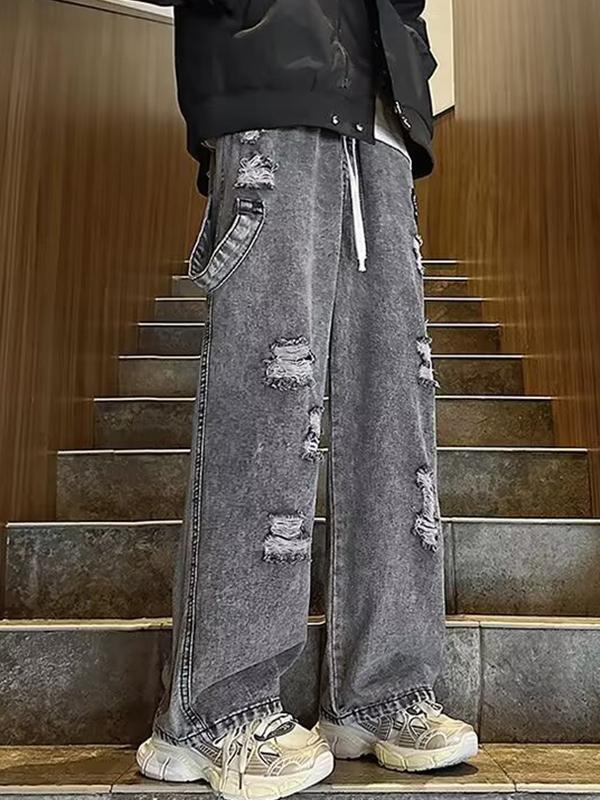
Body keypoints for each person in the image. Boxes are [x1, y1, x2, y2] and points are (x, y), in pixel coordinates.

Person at [136, 1, 479, 797]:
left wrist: (412, 67)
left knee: (394, 416)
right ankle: (212, 711)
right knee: (269, 398)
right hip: (273, 79)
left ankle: (380, 690)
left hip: (382, 117)